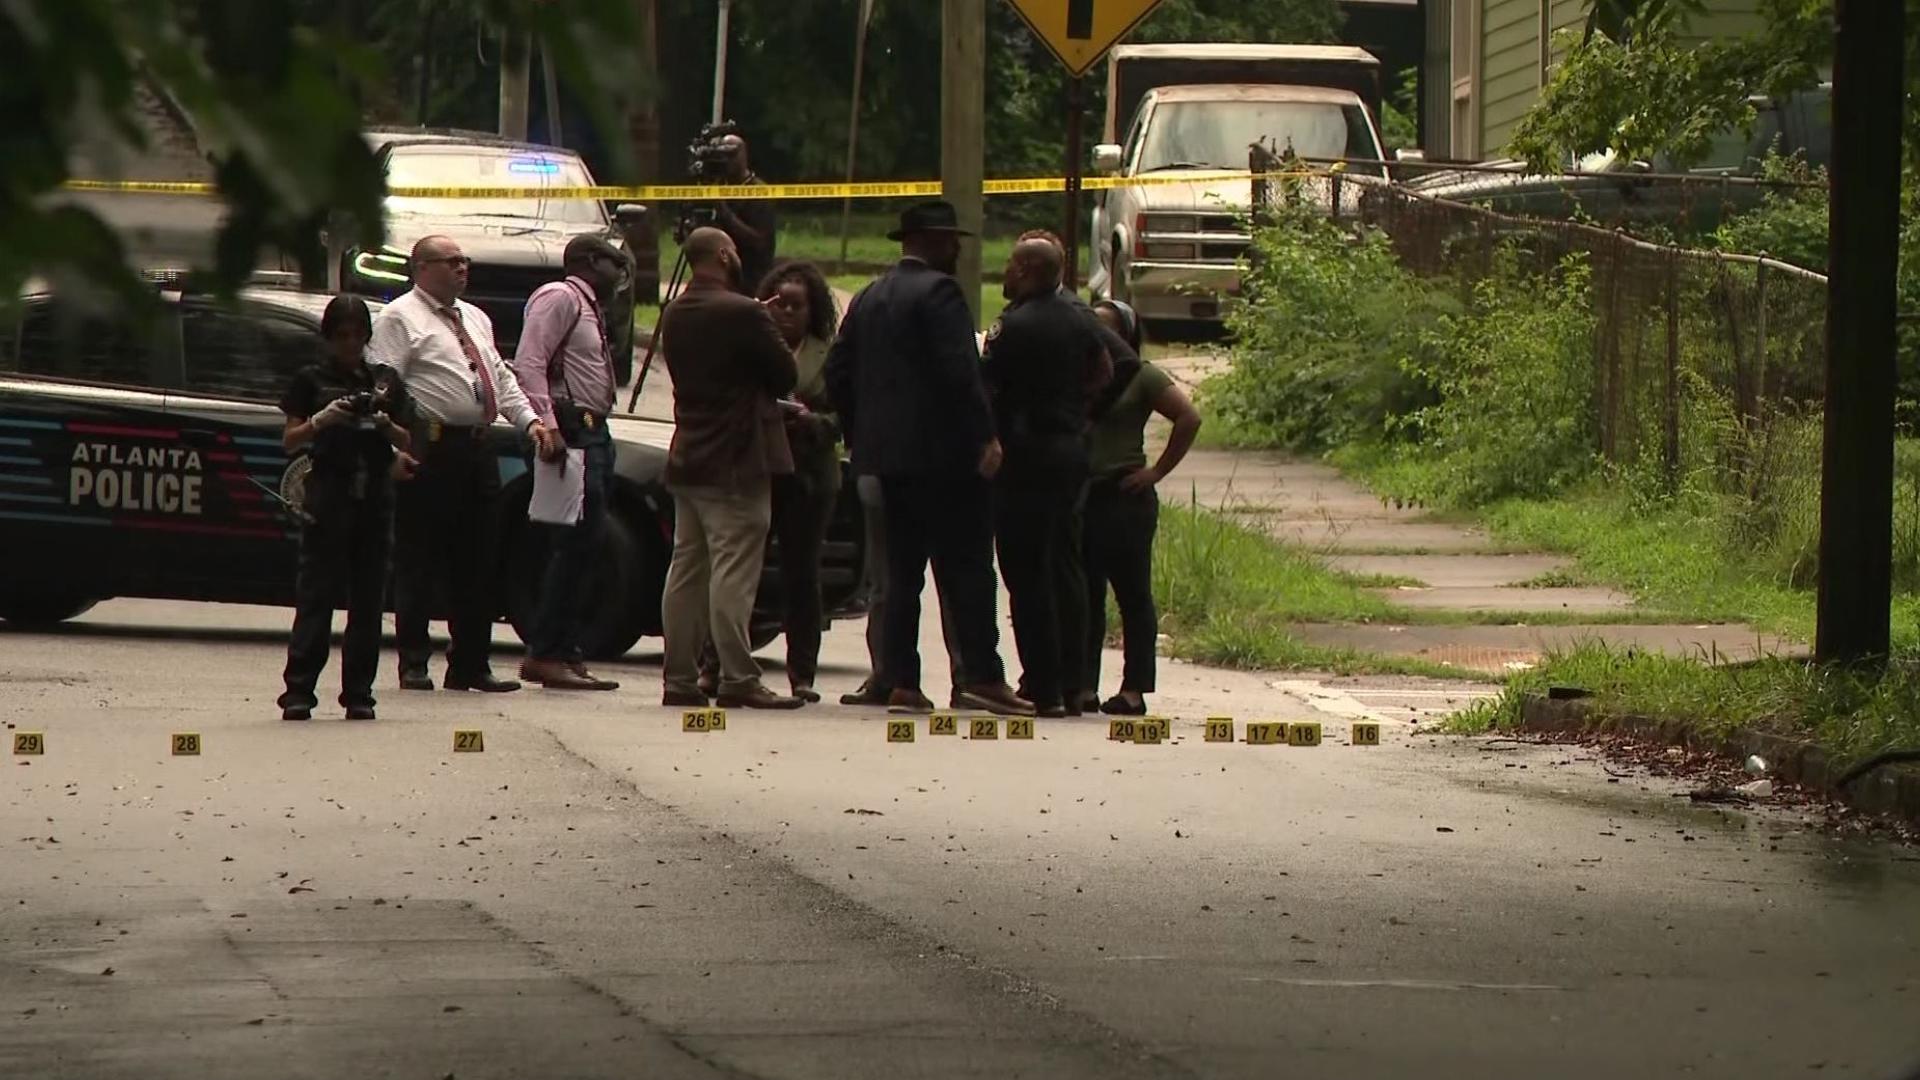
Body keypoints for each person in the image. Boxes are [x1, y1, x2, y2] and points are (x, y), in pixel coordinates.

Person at [824, 201, 1029, 716]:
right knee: (967, 570)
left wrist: (860, 434)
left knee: (899, 575)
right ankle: (981, 676)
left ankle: (901, 681)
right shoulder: (941, 292)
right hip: (946, 462)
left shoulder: (870, 296)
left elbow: (838, 372)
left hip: (885, 462)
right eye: (953, 239)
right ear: (935, 240)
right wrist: (985, 436)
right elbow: (959, 371)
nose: (959, 248)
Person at [371, 235, 559, 694]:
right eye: (451, 261)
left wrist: (530, 422)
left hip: (477, 447)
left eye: (464, 261)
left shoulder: (474, 317)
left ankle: (471, 663)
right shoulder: (400, 317)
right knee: (418, 557)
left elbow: (500, 377)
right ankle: (414, 661)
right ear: (421, 267)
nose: (462, 268)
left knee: (478, 558)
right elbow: (382, 385)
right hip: (429, 447)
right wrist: (392, 446)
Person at [657, 227, 804, 710]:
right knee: (734, 570)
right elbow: (786, 374)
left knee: (686, 569)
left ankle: (678, 677)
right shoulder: (744, 312)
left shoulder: (675, 312)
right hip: (738, 458)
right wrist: (764, 324)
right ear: (723, 255)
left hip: (689, 452)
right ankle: (738, 675)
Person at [983, 239, 1111, 718]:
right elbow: (1105, 370)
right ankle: (1077, 683)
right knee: (1067, 565)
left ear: (1029, 270)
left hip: (1025, 455)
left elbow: (986, 386)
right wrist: (1082, 415)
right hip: (1069, 451)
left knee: (1025, 571)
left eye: (1013, 264)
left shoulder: (1012, 325)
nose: (1007, 272)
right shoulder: (1080, 316)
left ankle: (1043, 684)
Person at [276, 295, 416, 721]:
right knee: (317, 594)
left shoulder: (384, 381)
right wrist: (324, 418)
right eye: (342, 336)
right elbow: (290, 439)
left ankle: (359, 692)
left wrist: (385, 423)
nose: (350, 344)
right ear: (328, 337)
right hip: (329, 490)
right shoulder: (311, 378)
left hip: (374, 494)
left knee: (369, 600)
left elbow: (408, 439)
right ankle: (299, 690)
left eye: (357, 336)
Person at [510, 234, 631, 691]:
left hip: (592, 429)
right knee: (574, 540)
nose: (618, 273)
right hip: (568, 430)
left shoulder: (591, 306)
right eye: (611, 262)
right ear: (587, 261)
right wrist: (547, 425)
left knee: (589, 542)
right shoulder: (559, 297)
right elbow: (530, 362)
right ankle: (545, 652)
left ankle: (566, 648)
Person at [1082, 299, 1202, 716]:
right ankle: (1083, 685)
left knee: (1133, 596)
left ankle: (1134, 689)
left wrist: (1156, 472)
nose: (1099, 335)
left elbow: (1188, 418)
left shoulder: (1141, 376)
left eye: (1108, 328)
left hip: (1125, 497)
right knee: (1084, 595)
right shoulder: (1079, 374)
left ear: (1127, 334)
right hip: (1083, 495)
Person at [758, 260, 842, 703]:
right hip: (763, 470)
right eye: (780, 304)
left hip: (811, 474)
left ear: (813, 311)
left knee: (802, 573)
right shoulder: (755, 345)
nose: (787, 312)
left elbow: (844, 416)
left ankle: (802, 671)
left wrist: (813, 421)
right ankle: (724, 661)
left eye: (797, 306)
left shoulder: (827, 354)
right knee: (744, 567)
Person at [714, 134, 778, 296]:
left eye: (732, 155)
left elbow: (760, 241)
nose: (727, 161)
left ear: (744, 155)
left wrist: (726, 214)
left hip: (751, 277)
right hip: (720, 275)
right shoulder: (718, 187)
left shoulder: (759, 191)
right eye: (723, 156)